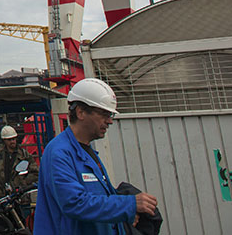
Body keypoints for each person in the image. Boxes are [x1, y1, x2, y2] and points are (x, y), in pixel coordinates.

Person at [34, 78, 159, 235]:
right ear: (80, 112)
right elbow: (75, 203)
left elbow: (97, 198)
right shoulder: (59, 153)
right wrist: (129, 205)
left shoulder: (86, 151)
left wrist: (124, 215)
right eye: (104, 114)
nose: (109, 121)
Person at [0, 124, 38, 215]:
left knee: (24, 223)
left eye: (14, 139)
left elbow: (35, 173)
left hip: (21, 198)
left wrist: (23, 182)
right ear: (4, 141)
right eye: (9, 139)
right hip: (3, 198)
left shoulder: (24, 155)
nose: (12, 141)